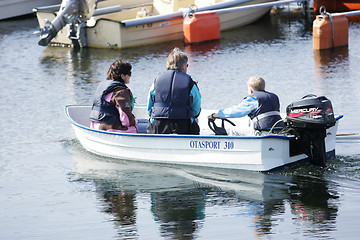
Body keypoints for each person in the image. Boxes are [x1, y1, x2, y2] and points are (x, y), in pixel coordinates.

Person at [147, 48, 201, 134]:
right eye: (187, 65)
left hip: (159, 125)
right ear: (183, 67)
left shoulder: (156, 82)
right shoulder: (190, 84)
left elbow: (149, 108)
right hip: (183, 125)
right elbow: (196, 110)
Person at [208, 76, 284, 136]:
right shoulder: (274, 96)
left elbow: (236, 111)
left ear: (251, 90)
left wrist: (218, 115)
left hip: (262, 133)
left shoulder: (253, 98)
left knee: (231, 130)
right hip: (277, 131)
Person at [89, 60, 138, 133]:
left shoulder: (103, 86)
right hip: (109, 128)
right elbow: (126, 122)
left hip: (94, 126)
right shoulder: (121, 92)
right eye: (129, 73)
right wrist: (135, 121)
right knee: (145, 126)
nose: (130, 76)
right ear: (122, 76)